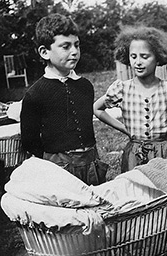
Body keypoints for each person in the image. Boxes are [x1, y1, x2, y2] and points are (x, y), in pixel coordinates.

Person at [94, 25, 167, 173]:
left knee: (164, 191)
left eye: (145, 56)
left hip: (164, 154)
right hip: (135, 154)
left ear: (158, 58)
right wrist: (123, 128)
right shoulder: (123, 88)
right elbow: (97, 109)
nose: (138, 62)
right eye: (133, 56)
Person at [20, 13, 106, 185]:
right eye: (65, 47)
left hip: (90, 162)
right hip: (58, 168)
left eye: (77, 45)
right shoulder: (35, 94)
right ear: (45, 52)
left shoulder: (85, 86)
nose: (74, 51)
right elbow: (30, 140)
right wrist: (53, 162)